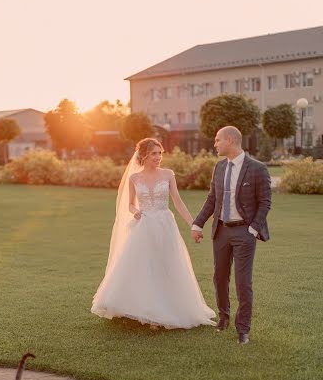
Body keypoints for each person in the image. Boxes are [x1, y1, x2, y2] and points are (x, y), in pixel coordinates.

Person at [91, 137, 215, 329]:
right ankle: (145, 310)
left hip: (165, 224)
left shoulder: (168, 174)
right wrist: (135, 211)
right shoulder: (134, 178)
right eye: (154, 154)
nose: (158, 157)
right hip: (144, 226)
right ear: (144, 156)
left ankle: (165, 309)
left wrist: (194, 224)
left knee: (165, 264)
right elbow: (131, 204)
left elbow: (178, 202)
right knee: (144, 267)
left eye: (160, 153)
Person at [191, 126, 271, 345]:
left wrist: (253, 228)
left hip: (244, 232)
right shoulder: (219, 167)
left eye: (217, 140)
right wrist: (198, 223)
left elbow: (265, 202)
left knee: (243, 282)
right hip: (221, 230)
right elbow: (212, 199)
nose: (214, 144)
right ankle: (223, 317)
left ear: (230, 140)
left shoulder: (257, 169)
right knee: (219, 278)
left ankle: (243, 329)